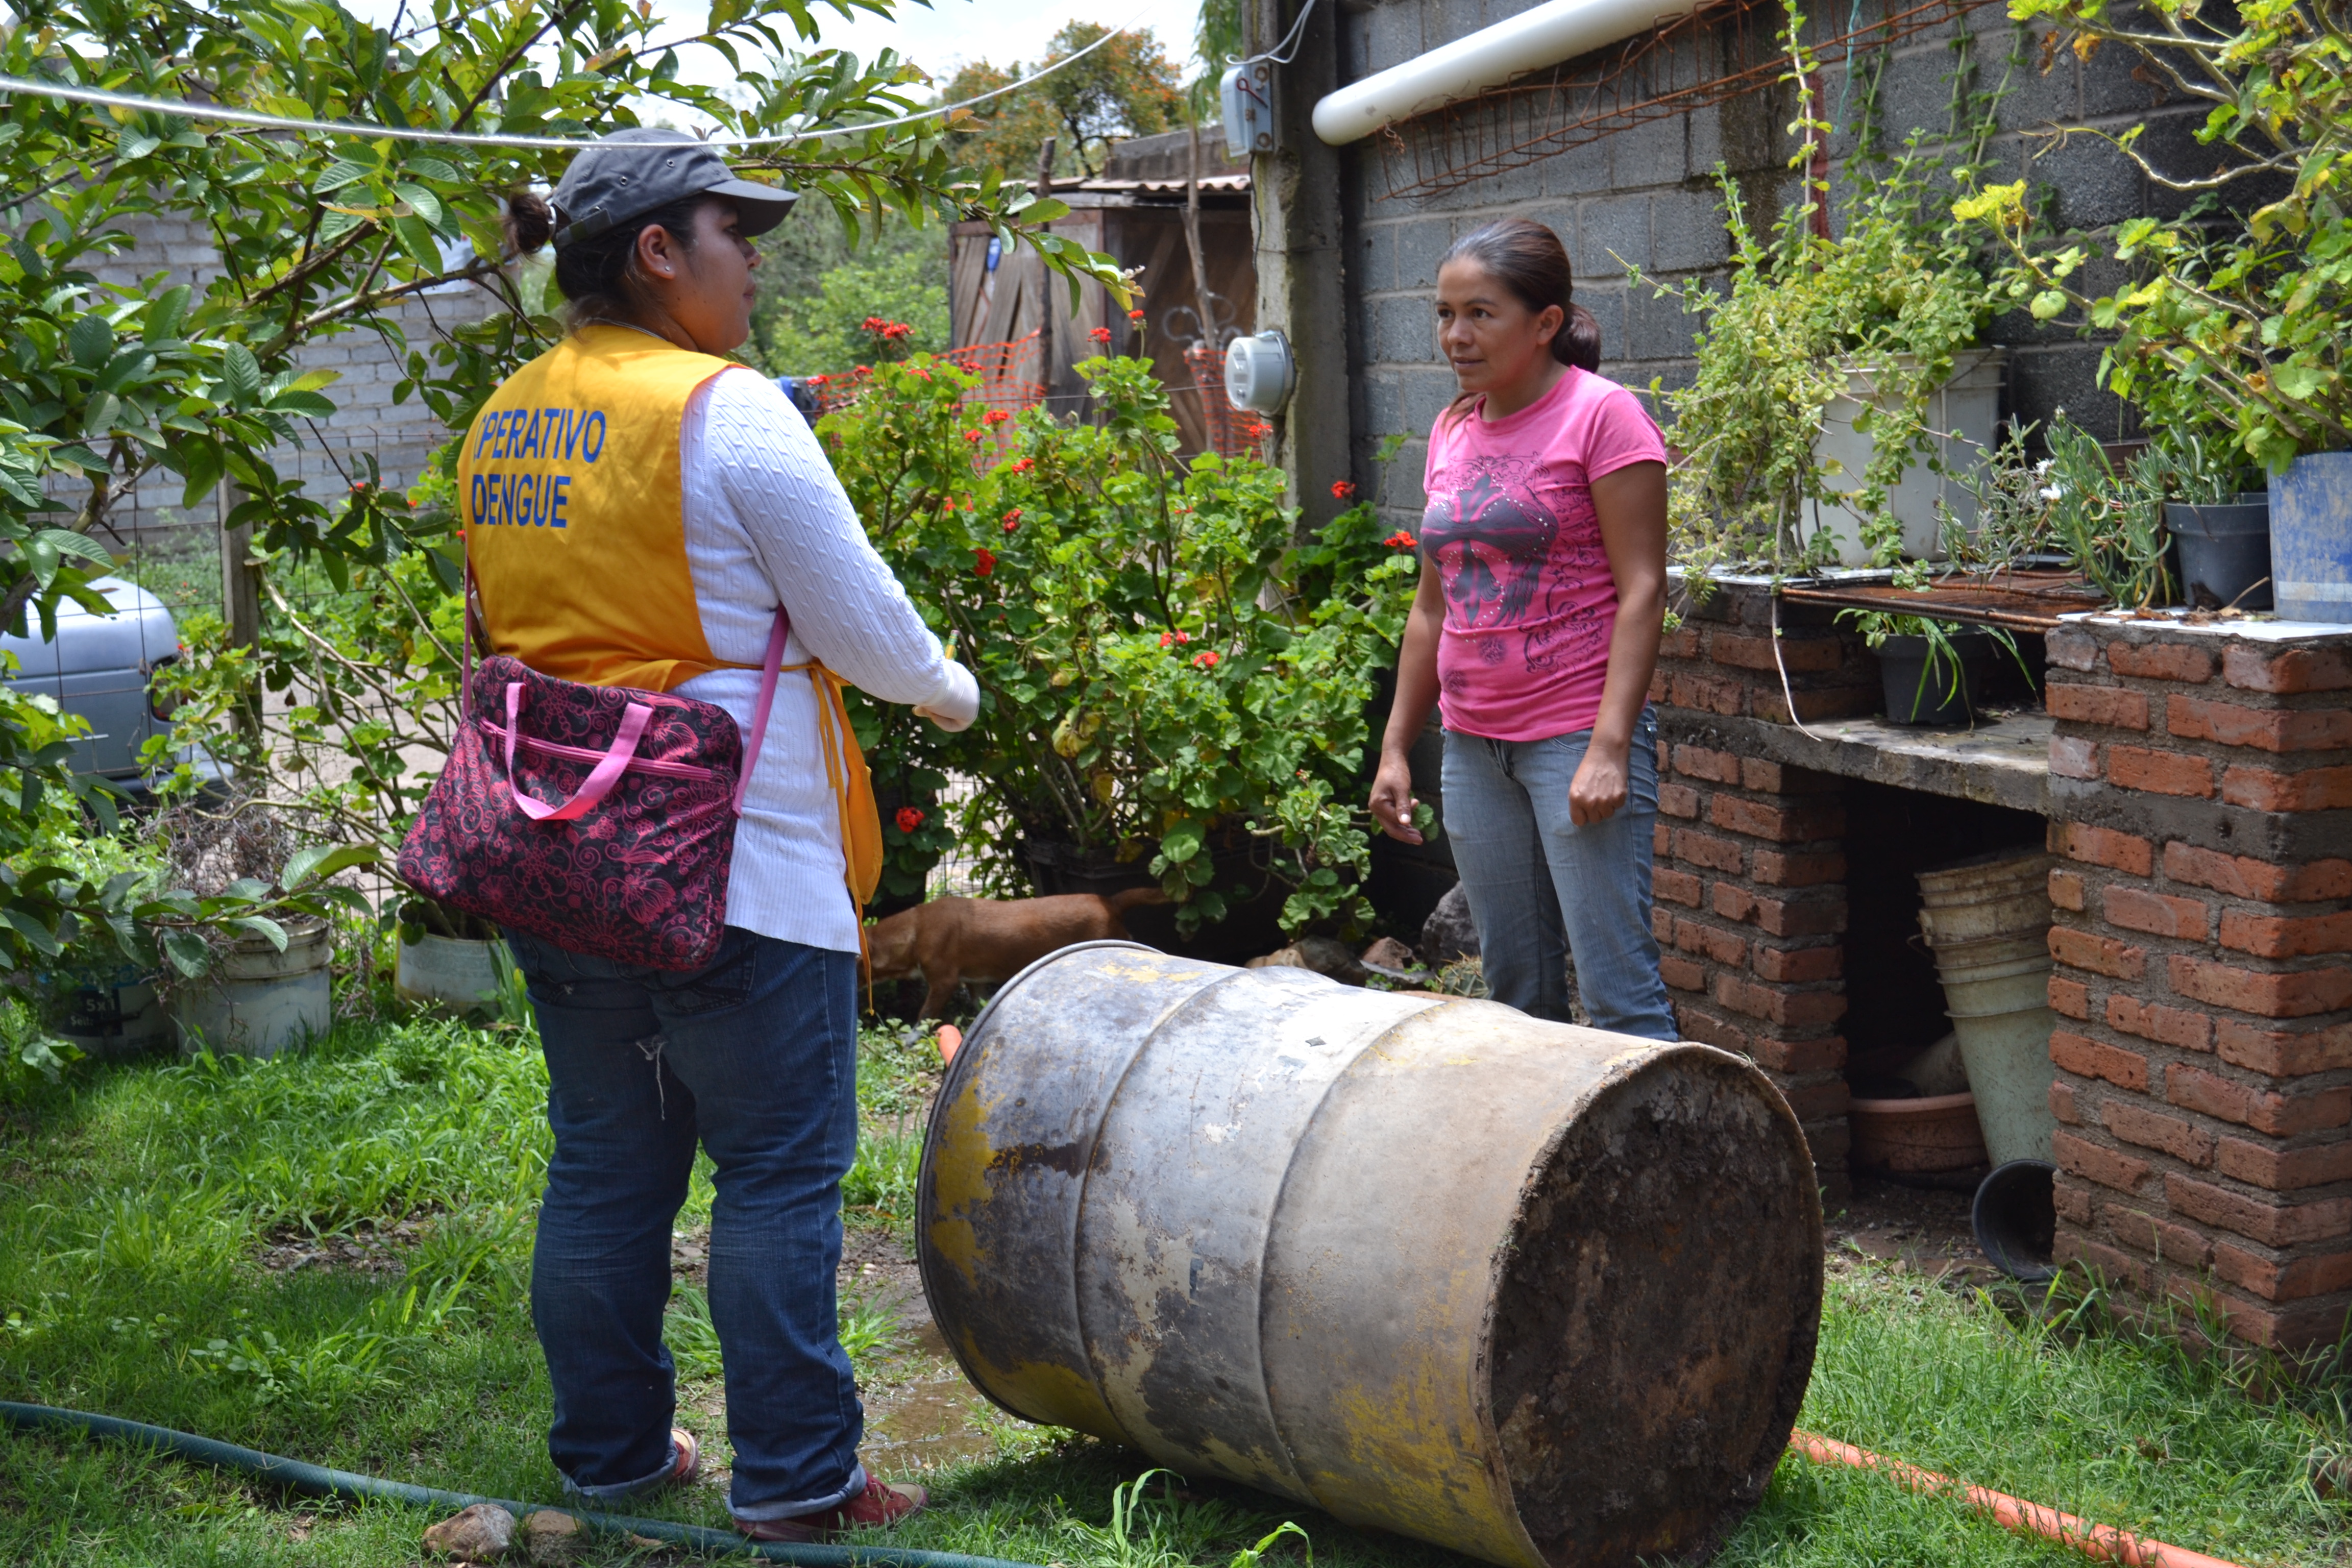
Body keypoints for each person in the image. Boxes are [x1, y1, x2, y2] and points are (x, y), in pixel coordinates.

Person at [468, 129, 977, 1542]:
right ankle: (803, 1479)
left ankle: (614, 1459)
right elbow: (876, 641)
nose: (753, 258)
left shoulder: (506, 412)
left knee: (606, 1164)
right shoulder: (727, 410)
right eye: (731, 231)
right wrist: (948, 689)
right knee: (775, 1172)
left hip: (559, 859)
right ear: (654, 253)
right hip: (733, 861)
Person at [1367, 217, 1678, 1042]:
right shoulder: (1452, 428)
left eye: (1480, 313)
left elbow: (1643, 589)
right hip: (1474, 748)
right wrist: (1399, 746)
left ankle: (1664, 1168)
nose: (1455, 336)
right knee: (1515, 993)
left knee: (1618, 993)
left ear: (1545, 323)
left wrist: (1610, 747)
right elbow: (1432, 608)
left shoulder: (1602, 417)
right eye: (1443, 314)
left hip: (1574, 734)